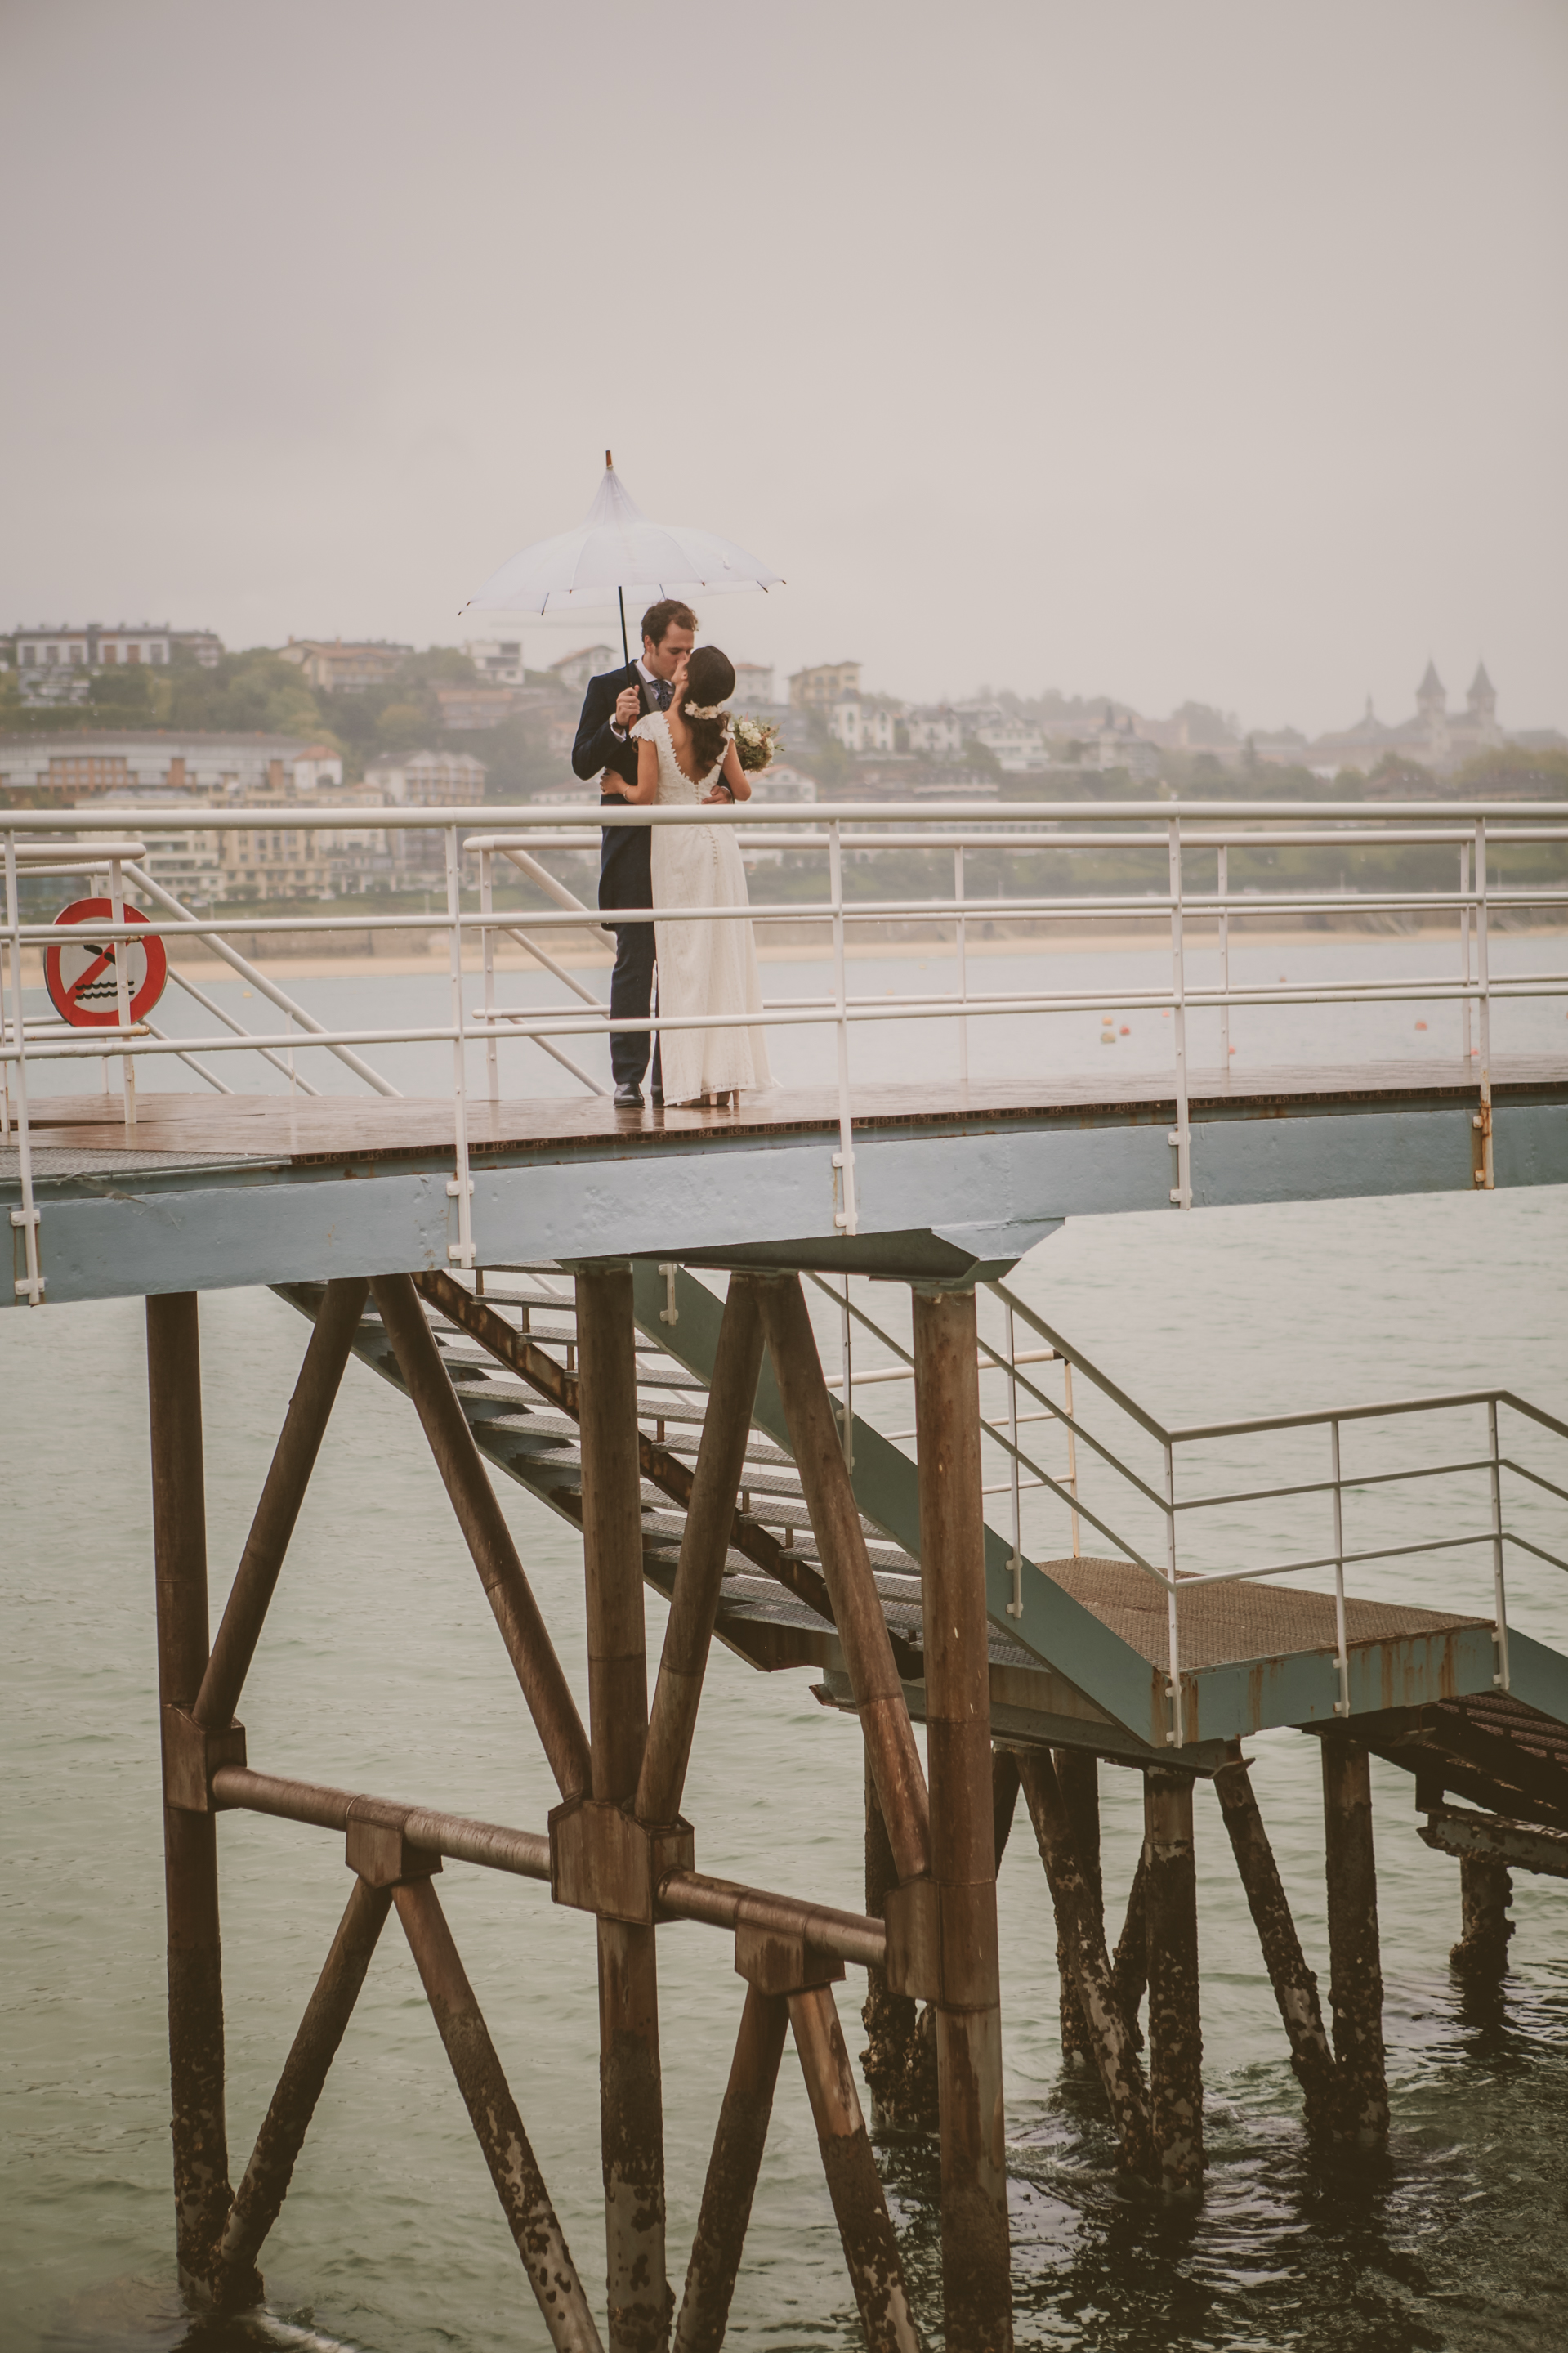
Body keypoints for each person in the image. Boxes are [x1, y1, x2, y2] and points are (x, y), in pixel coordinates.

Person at [626, 646, 771, 1108]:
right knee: (724, 957)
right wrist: (723, 790)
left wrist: (616, 786)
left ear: (686, 678)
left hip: (678, 852)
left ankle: (691, 1087)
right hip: (720, 848)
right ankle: (727, 1082)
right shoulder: (721, 731)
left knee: (685, 964)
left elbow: (645, 796)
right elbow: (743, 790)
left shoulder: (653, 729)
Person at [572, 599, 696, 1106]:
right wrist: (617, 726)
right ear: (647, 644)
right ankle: (628, 1077)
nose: (682, 661)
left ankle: (675, 1073)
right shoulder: (607, 688)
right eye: (674, 651)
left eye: (689, 650)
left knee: (681, 959)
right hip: (630, 846)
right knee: (634, 960)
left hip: (682, 842)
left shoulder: (696, 689)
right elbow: (582, 764)